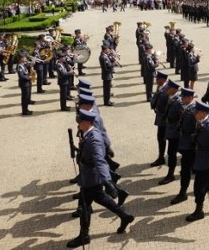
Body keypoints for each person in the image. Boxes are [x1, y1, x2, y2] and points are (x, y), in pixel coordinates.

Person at [67, 109, 134, 247]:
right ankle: (124, 217)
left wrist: (107, 181)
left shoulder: (94, 140)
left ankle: (84, 236)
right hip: (89, 177)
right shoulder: (90, 133)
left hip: (91, 178)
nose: (78, 124)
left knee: (84, 206)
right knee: (99, 199)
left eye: (80, 122)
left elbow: (99, 161)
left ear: (86, 122)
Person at [158, 81, 184, 185]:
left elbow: (183, 117)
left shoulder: (178, 102)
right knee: (177, 152)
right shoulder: (171, 98)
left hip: (176, 132)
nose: (166, 89)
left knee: (172, 153)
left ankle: (170, 175)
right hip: (171, 130)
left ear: (174, 89)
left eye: (168, 88)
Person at [150, 71, 170, 166]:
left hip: (166, 119)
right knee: (160, 138)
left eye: (157, 79)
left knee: (169, 138)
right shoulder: (159, 87)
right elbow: (154, 100)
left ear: (163, 79)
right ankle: (161, 157)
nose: (156, 80)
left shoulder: (168, 89)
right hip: (160, 117)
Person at [17, 51, 33, 116]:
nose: (25, 58)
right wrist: (28, 77)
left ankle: (26, 109)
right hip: (24, 83)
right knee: (24, 98)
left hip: (27, 83)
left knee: (26, 97)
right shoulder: (20, 66)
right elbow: (21, 76)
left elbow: (28, 68)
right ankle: (24, 111)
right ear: (21, 59)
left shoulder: (24, 64)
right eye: (24, 57)